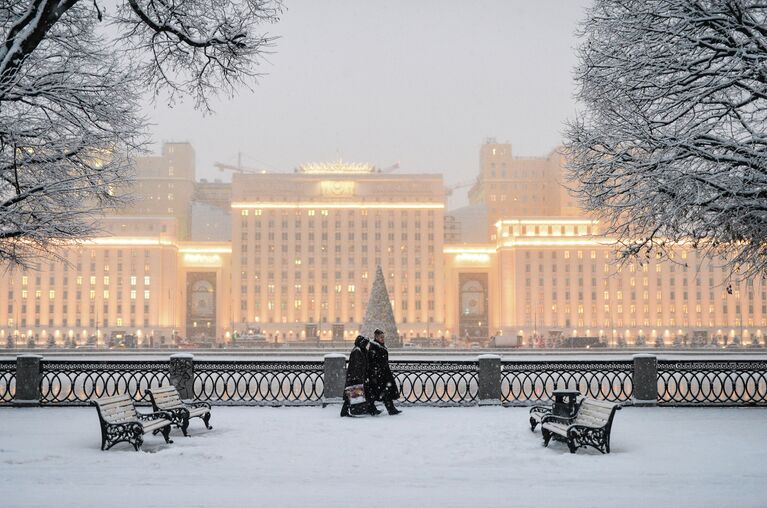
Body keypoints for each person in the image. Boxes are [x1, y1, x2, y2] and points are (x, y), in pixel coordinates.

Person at [340, 335, 379, 417]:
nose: (366, 345)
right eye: (365, 343)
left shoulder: (361, 350)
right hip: (356, 377)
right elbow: (356, 366)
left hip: (360, 377)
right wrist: (358, 378)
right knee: (351, 394)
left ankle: (372, 409)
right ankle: (344, 412)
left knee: (365, 393)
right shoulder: (357, 351)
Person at [367, 329, 402, 415]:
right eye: (381, 337)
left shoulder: (379, 346)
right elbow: (373, 362)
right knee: (378, 392)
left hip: (383, 373)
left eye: (383, 337)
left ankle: (390, 409)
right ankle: (373, 408)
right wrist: (376, 372)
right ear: (376, 337)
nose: (383, 338)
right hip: (379, 374)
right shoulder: (374, 347)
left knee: (384, 392)